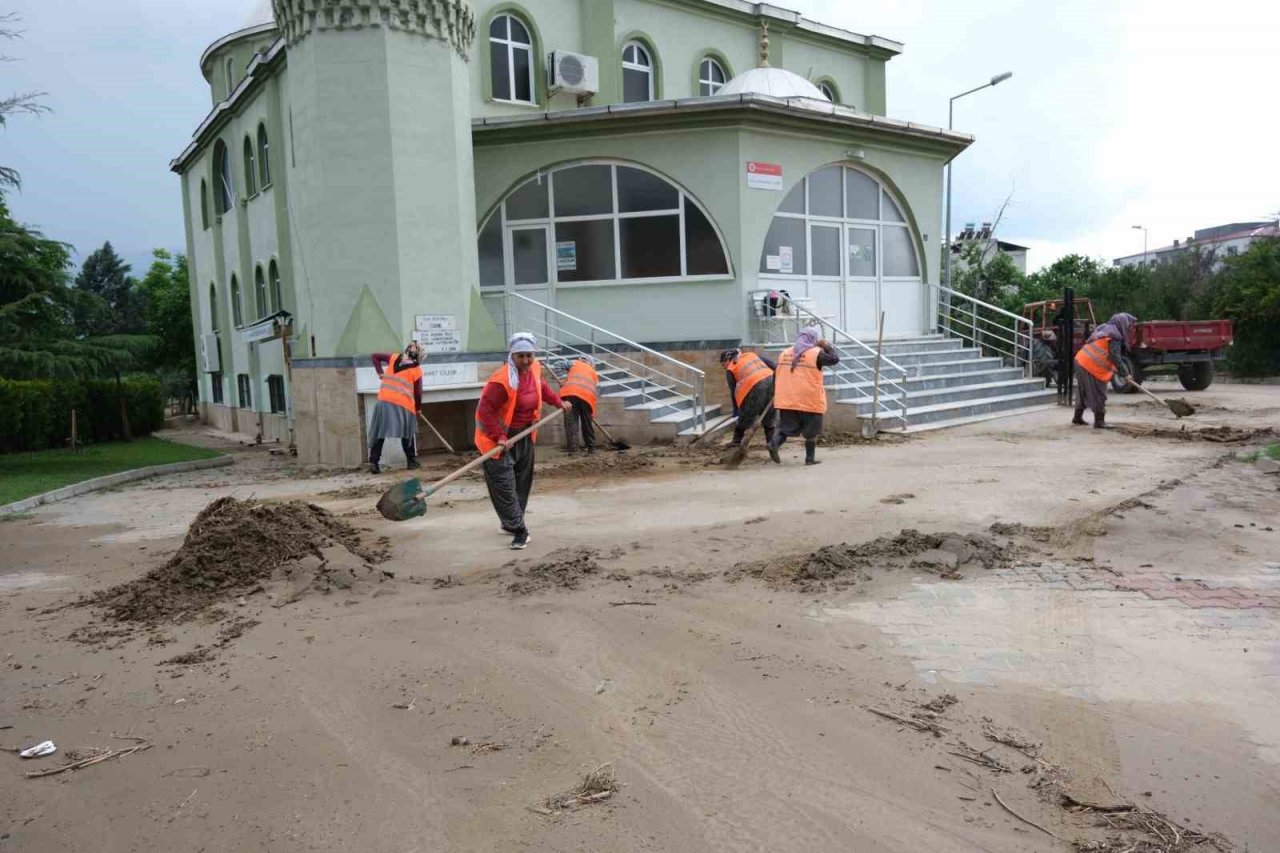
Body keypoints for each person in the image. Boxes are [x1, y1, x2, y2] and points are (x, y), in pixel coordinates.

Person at [474, 333, 572, 549]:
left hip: (525, 435)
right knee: (504, 487)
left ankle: (510, 523)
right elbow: (485, 412)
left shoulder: (535, 369)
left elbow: (541, 388)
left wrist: (558, 402)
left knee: (521, 484)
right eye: (521, 356)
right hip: (497, 440)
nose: (526, 360)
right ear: (512, 355)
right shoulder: (501, 381)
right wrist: (500, 436)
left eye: (529, 355)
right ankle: (520, 530)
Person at [766, 325, 840, 466]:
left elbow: (777, 374)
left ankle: (774, 443)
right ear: (813, 339)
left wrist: (775, 392)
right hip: (809, 399)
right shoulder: (816, 353)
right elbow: (834, 359)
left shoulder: (784, 353)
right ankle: (809, 459)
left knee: (786, 428)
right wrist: (826, 345)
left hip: (788, 399)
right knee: (812, 431)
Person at [1073, 312, 1136, 430]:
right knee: (1099, 392)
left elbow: (1105, 354)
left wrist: (1117, 370)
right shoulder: (1114, 336)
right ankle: (1099, 421)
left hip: (1080, 359)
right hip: (1089, 364)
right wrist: (1126, 374)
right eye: (1128, 326)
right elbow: (1115, 357)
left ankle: (1077, 417)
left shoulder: (1104, 330)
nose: (1129, 328)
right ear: (1122, 324)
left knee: (1083, 391)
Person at [368, 342, 424, 474]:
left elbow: (375, 356)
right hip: (403, 404)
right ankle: (411, 461)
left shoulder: (394, 358)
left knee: (379, 433)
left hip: (384, 401)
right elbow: (418, 393)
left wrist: (380, 372)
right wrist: (418, 408)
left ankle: (374, 463)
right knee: (407, 432)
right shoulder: (416, 369)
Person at [719, 348, 776, 448]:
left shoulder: (731, 368)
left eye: (723, 364)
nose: (724, 367)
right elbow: (772, 364)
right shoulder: (750, 355)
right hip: (771, 380)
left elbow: (734, 392)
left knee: (745, 414)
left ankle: (736, 440)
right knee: (769, 414)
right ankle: (771, 443)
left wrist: (736, 411)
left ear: (728, 359)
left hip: (755, 386)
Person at [558, 357, 599, 454]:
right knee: (587, 424)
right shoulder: (594, 374)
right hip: (586, 398)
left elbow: (558, 364)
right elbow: (593, 392)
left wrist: (563, 378)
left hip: (570, 394)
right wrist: (590, 414)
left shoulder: (574, 363)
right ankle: (591, 448)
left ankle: (573, 450)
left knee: (571, 423)